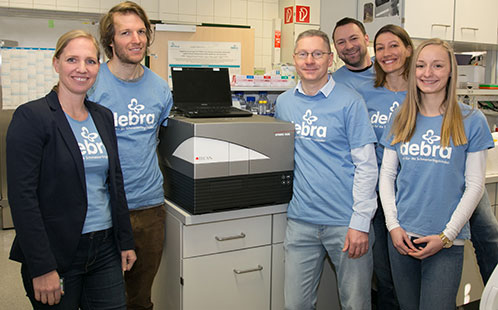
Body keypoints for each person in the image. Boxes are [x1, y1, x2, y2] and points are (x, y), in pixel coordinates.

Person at [6, 30, 136, 309]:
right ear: (56, 64)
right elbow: (22, 198)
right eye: (72, 59)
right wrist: (41, 267)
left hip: (104, 248)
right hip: (57, 251)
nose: (82, 68)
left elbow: (115, 182)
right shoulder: (32, 117)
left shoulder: (102, 117)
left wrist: (125, 240)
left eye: (90, 61)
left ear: (98, 68)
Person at [379, 38, 494, 310]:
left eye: (437, 65)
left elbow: (475, 185)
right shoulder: (401, 117)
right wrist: (393, 227)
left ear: (451, 71)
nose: (427, 73)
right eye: (420, 65)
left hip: (445, 241)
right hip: (403, 237)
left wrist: (447, 236)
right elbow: (386, 176)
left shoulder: (471, 120)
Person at [275, 29, 378, 310]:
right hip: (301, 222)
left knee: (355, 304)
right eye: (303, 54)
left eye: (318, 54)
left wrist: (360, 223)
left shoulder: (350, 101)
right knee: (295, 304)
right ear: (294, 59)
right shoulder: (284, 103)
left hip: (345, 224)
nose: (310, 60)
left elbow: (367, 166)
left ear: (330, 59)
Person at [87, 2, 173, 309]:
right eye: (126, 32)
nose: (136, 39)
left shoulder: (161, 89)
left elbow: (161, 140)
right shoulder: (92, 85)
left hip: (149, 206)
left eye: (141, 31)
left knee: (140, 299)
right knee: (104, 299)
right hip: (103, 207)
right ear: (110, 40)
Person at [332, 17, 374, 90]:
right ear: (336, 48)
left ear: (366, 40)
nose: (349, 47)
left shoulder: (387, 68)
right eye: (341, 42)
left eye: (354, 38)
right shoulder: (334, 84)